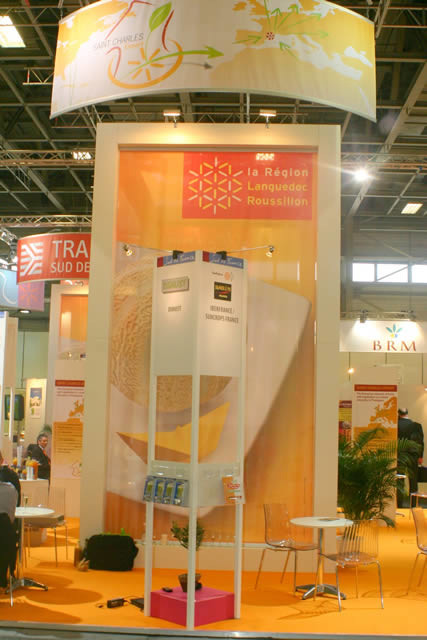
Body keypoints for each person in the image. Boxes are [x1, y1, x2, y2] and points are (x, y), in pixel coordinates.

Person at [397, 408, 424, 497]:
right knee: (413, 479)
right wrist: (420, 456)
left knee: (399, 479)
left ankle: (399, 502)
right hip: (413, 455)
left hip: (400, 455)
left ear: (398, 414)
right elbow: (420, 442)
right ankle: (413, 502)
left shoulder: (396, 425)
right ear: (407, 413)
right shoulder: (417, 426)